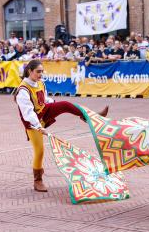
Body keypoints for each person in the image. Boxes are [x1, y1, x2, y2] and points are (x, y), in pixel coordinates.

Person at [14, 60, 109, 192]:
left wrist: (54, 104)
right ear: (30, 71)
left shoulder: (41, 83)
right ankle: (38, 180)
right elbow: (28, 112)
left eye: (42, 71)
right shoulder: (23, 90)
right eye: (38, 71)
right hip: (33, 122)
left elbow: (45, 99)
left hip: (43, 112)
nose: (41, 74)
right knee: (39, 151)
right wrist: (39, 127)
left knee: (64, 104)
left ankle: (88, 117)